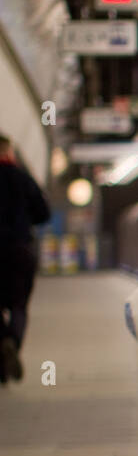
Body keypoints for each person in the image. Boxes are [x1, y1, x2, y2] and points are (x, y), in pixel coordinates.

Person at [0, 134, 51, 383]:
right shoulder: (22, 179)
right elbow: (43, 213)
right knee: (19, 306)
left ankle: (2, 359)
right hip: (19, 251)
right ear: (9, 153)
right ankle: (13, 341)